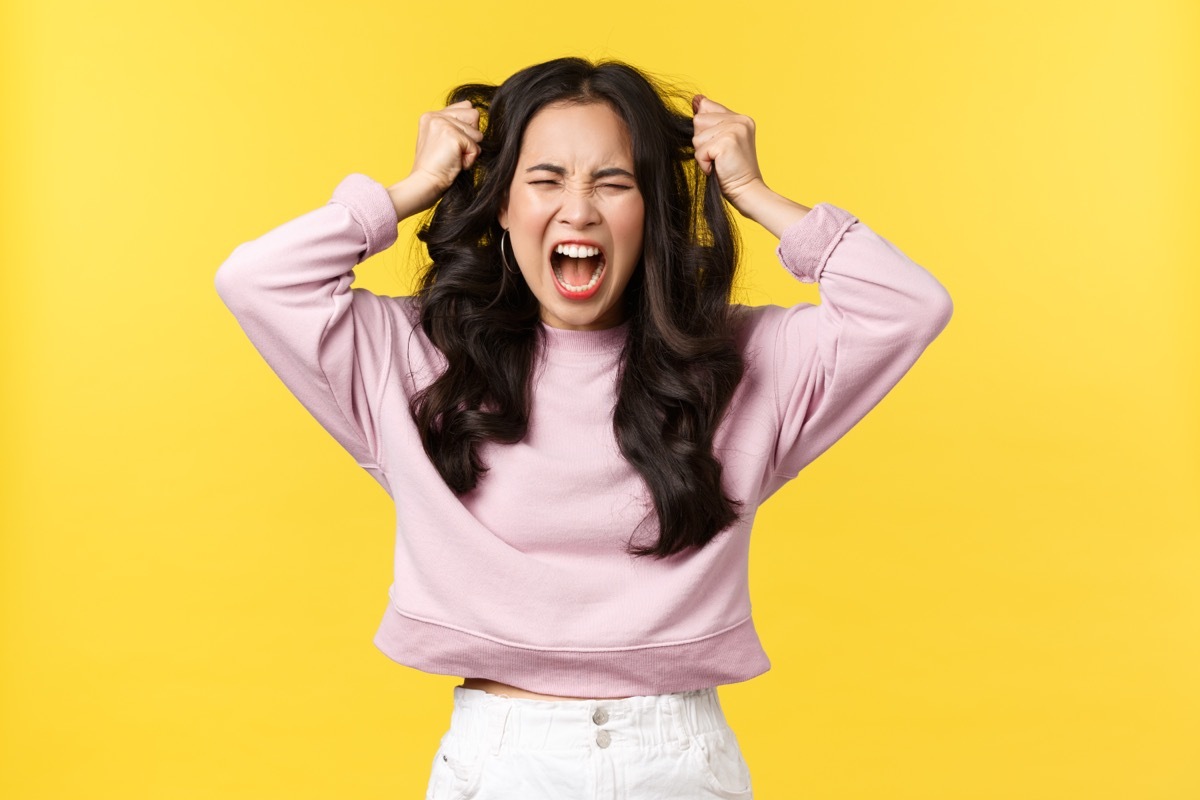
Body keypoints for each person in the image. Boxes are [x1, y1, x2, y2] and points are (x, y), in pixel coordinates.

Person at [214, 56, 952, 799]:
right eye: (545, 179)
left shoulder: (738, 363)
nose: (578, 210)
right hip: (501, 761)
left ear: (654, 212)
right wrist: (412, 189)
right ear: (501, 205)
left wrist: (752, 193)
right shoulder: (414, 359)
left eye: (613, 182)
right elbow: (255, 282)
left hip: (679, 763)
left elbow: (909, 306)